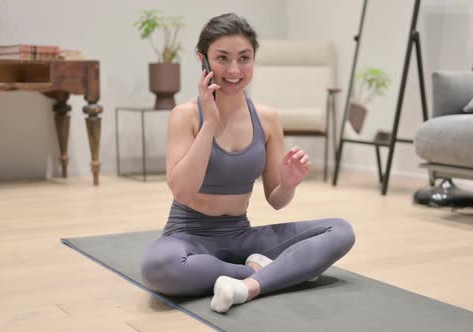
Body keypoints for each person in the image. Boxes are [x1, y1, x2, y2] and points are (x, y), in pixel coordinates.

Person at [140, 13, 355, 314]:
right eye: (222, 58)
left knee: (341, 230)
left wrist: (289, 182)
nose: (233, 69)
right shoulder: (184, 115)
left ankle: (247, 286)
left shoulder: (267, 118)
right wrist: (210, 122)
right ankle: (262, 272)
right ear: (203, 60)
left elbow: (276, 200)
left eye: (244, 58)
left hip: (242, 236)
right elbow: (183, 193)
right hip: (188, 237)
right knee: (158, 267)